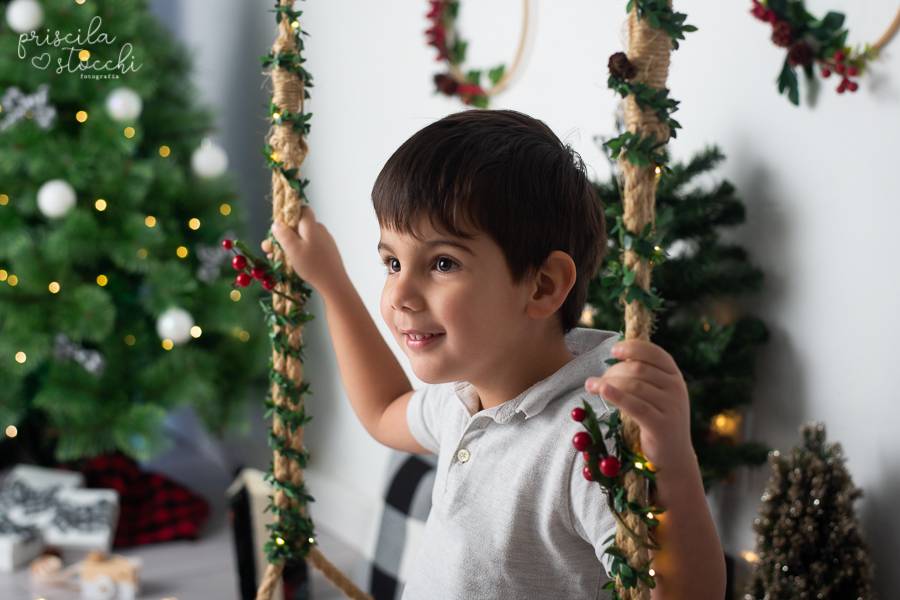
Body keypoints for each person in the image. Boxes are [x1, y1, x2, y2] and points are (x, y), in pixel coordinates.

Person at [263, 109, 726, 599]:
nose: (400, 294)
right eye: (393, 262)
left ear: (543, 286)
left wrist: (674, 461)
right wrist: (330, 281)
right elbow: (382, 412)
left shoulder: (592, 435)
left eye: (442, 263)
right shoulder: (464, 396)